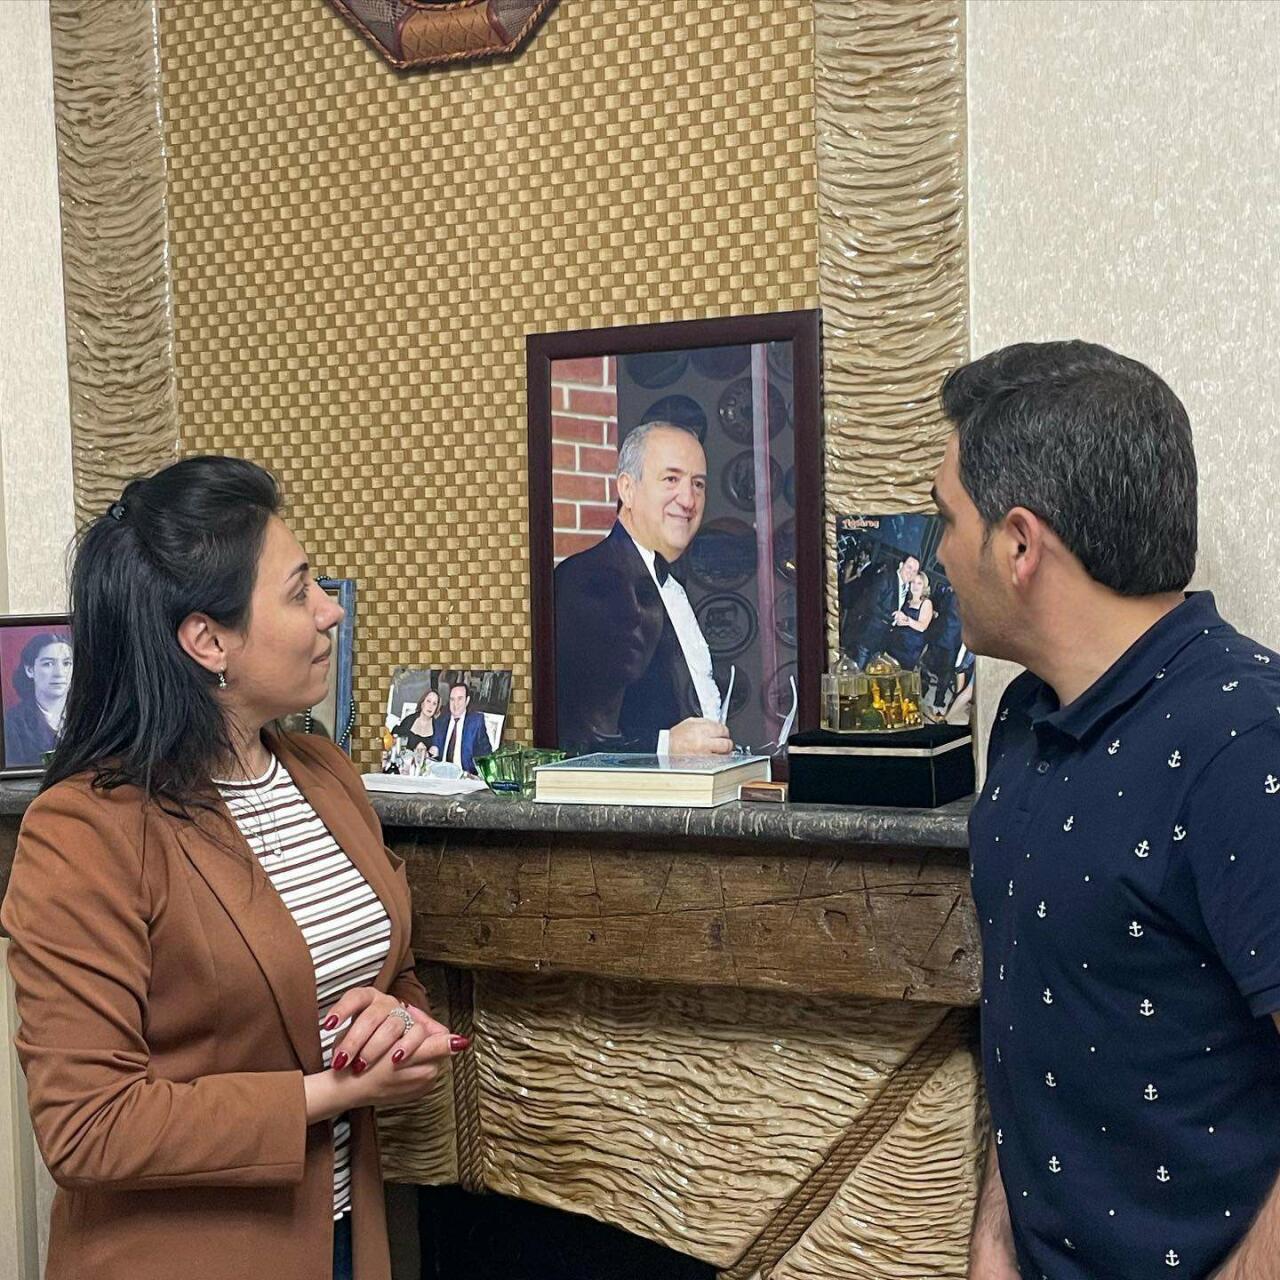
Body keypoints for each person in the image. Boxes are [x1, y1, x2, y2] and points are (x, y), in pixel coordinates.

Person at [1, 457, 470, 1280]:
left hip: (345, 1240)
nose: (330, 609)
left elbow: (384, 976)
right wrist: (335, 1092)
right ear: (208, 641)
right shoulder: (83, 831)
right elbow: (87, 1127)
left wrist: (398, 1021)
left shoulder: (324, 774)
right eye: (298, 591)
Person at [933, 341, 1280, 1280]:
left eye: (946, 518)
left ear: (1019, 544)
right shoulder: (1026, 717)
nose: (938, 552)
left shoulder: (1246, 746)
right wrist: (995, 1238)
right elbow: (1034, 1020)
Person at [554, 421, 732, 755]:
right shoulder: (587, 580)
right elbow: (571, 737)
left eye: (697, 484)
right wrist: (665, 745)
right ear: (627, 489)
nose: (688, 500)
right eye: (671, 479)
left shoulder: (680, 583)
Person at [3, 631, 73, 766]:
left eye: (66, 663)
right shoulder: (12, 724)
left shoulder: (90, 717)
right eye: (48, 664)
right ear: (30, 670)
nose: (59, 673)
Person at [849, 554, 920, 670]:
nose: (911, 572)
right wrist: (893, 617)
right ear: (901, 565)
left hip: (881, 641)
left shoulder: (907, 590)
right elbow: (871, 604)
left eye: (914, 571)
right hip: (869, 635)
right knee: (857, 671)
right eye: (909, 567)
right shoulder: (886, 578)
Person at [431, 680, 492, 773]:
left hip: (465, 775)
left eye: (460, 699)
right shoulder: (441, 721)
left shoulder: (476, 722)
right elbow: (434, 750)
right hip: (441, 773)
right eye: (452, 699)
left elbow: (486, 754)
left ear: (467, 701)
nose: (455, 704)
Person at [883, 570, 934, 669]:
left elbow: (922, 627)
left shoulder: (926, 603)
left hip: (910, 650)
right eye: (913, 582)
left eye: (919, 583)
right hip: (894, 643)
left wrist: (907, 619)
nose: (915, 586)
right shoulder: (907, 600)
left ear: (924, 586)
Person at [393, 685, 440, 755]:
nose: (430, 706)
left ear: (437, 708)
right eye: (428, 701)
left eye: (434, 704)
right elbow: (395, 741)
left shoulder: (438, 727)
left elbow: (438, 752)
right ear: (422, 703)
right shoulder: (408, 721)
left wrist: (429, 754)